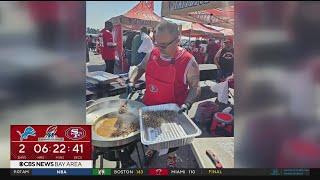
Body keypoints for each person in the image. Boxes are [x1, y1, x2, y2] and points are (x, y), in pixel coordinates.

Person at [128, 21, 200, 168]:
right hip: (149, 107)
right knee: (151, 134)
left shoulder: (189, 61)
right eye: (157, 43)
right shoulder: (153, 53)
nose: (158, 49)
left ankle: (171, 156)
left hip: (172, 113)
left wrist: (187, 104)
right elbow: (140, 68)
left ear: (178, 40)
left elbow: (195, 87)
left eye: (163, 45)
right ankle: (151, 149)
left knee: (171, 141)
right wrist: (131, 80)